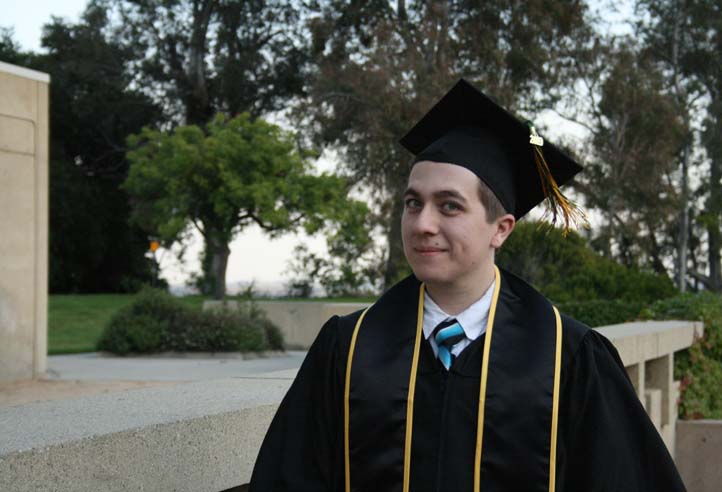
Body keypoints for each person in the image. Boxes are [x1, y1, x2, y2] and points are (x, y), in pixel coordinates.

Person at [249, 79, 686, 492]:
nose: (422, 224)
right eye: (412, 203)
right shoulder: (347, 349)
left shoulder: (566, 358)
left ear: (501, 228)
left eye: (449, 206)